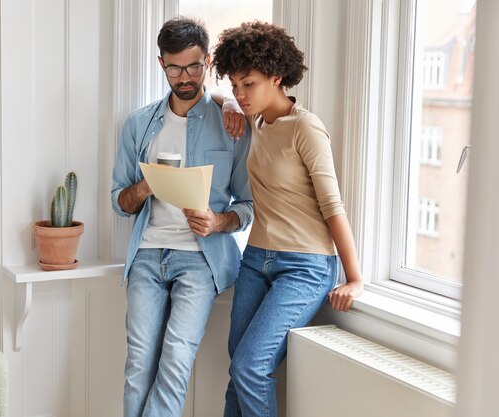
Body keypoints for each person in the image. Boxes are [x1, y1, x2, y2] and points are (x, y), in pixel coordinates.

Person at [211, 21, 364, 417]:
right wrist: (228, 103)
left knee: (250, 368)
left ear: (277, 77)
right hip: (255, 259)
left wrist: (355, 278)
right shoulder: (256, 121)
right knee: (238, 369)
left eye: (249, 84)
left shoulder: (306, 128)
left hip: (305, 266)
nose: (240, 94)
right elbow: (216, 97)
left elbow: (333, 206)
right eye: (234, 84)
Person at [111, 17, 253, 417]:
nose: (185, 77)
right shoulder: (139, 124)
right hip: (147, 255)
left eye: (193, 67)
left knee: (175, 361)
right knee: (139, 365)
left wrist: (218, 222)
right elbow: (118, 200)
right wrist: (146, 187)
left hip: (199, 259)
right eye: (175, 68)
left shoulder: (231, 124)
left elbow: (248, 205)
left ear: (207, 63)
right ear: (161, 65)